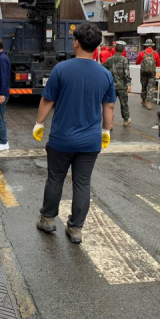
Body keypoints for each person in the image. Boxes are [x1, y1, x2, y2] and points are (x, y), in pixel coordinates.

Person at [32, 23, 115, 244]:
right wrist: (106, 130)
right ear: (97, 45)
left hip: (61, 139)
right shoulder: (105, 74)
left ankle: (48, 219)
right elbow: (109, 107)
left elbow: (48, 99)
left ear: (76, 42)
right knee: (82, 183)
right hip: (90, 141)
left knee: (55, 179)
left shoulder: (61, 69)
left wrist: (39, 123)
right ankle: (76, 228)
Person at [103, 41, 132, 126]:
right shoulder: (124, 60)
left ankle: (109, 123)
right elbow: (127, 73)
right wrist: (128, 84)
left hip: (111, 86)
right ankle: (126, 120)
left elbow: (103, 70)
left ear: (115, 49)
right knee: (124, 103)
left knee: (110, 104)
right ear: (123, 50)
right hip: (122, 86)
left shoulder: (109, 60)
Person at [136, 39, 160, 110]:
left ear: (146, 45)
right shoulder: (155, 53)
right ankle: (149, 102)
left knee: (144, 85)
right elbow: (158, 64)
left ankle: (143, 100)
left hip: (143, 72)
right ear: (152, 45)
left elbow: (137, 62)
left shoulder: (142, 53)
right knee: (151, 87)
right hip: (152, 73)